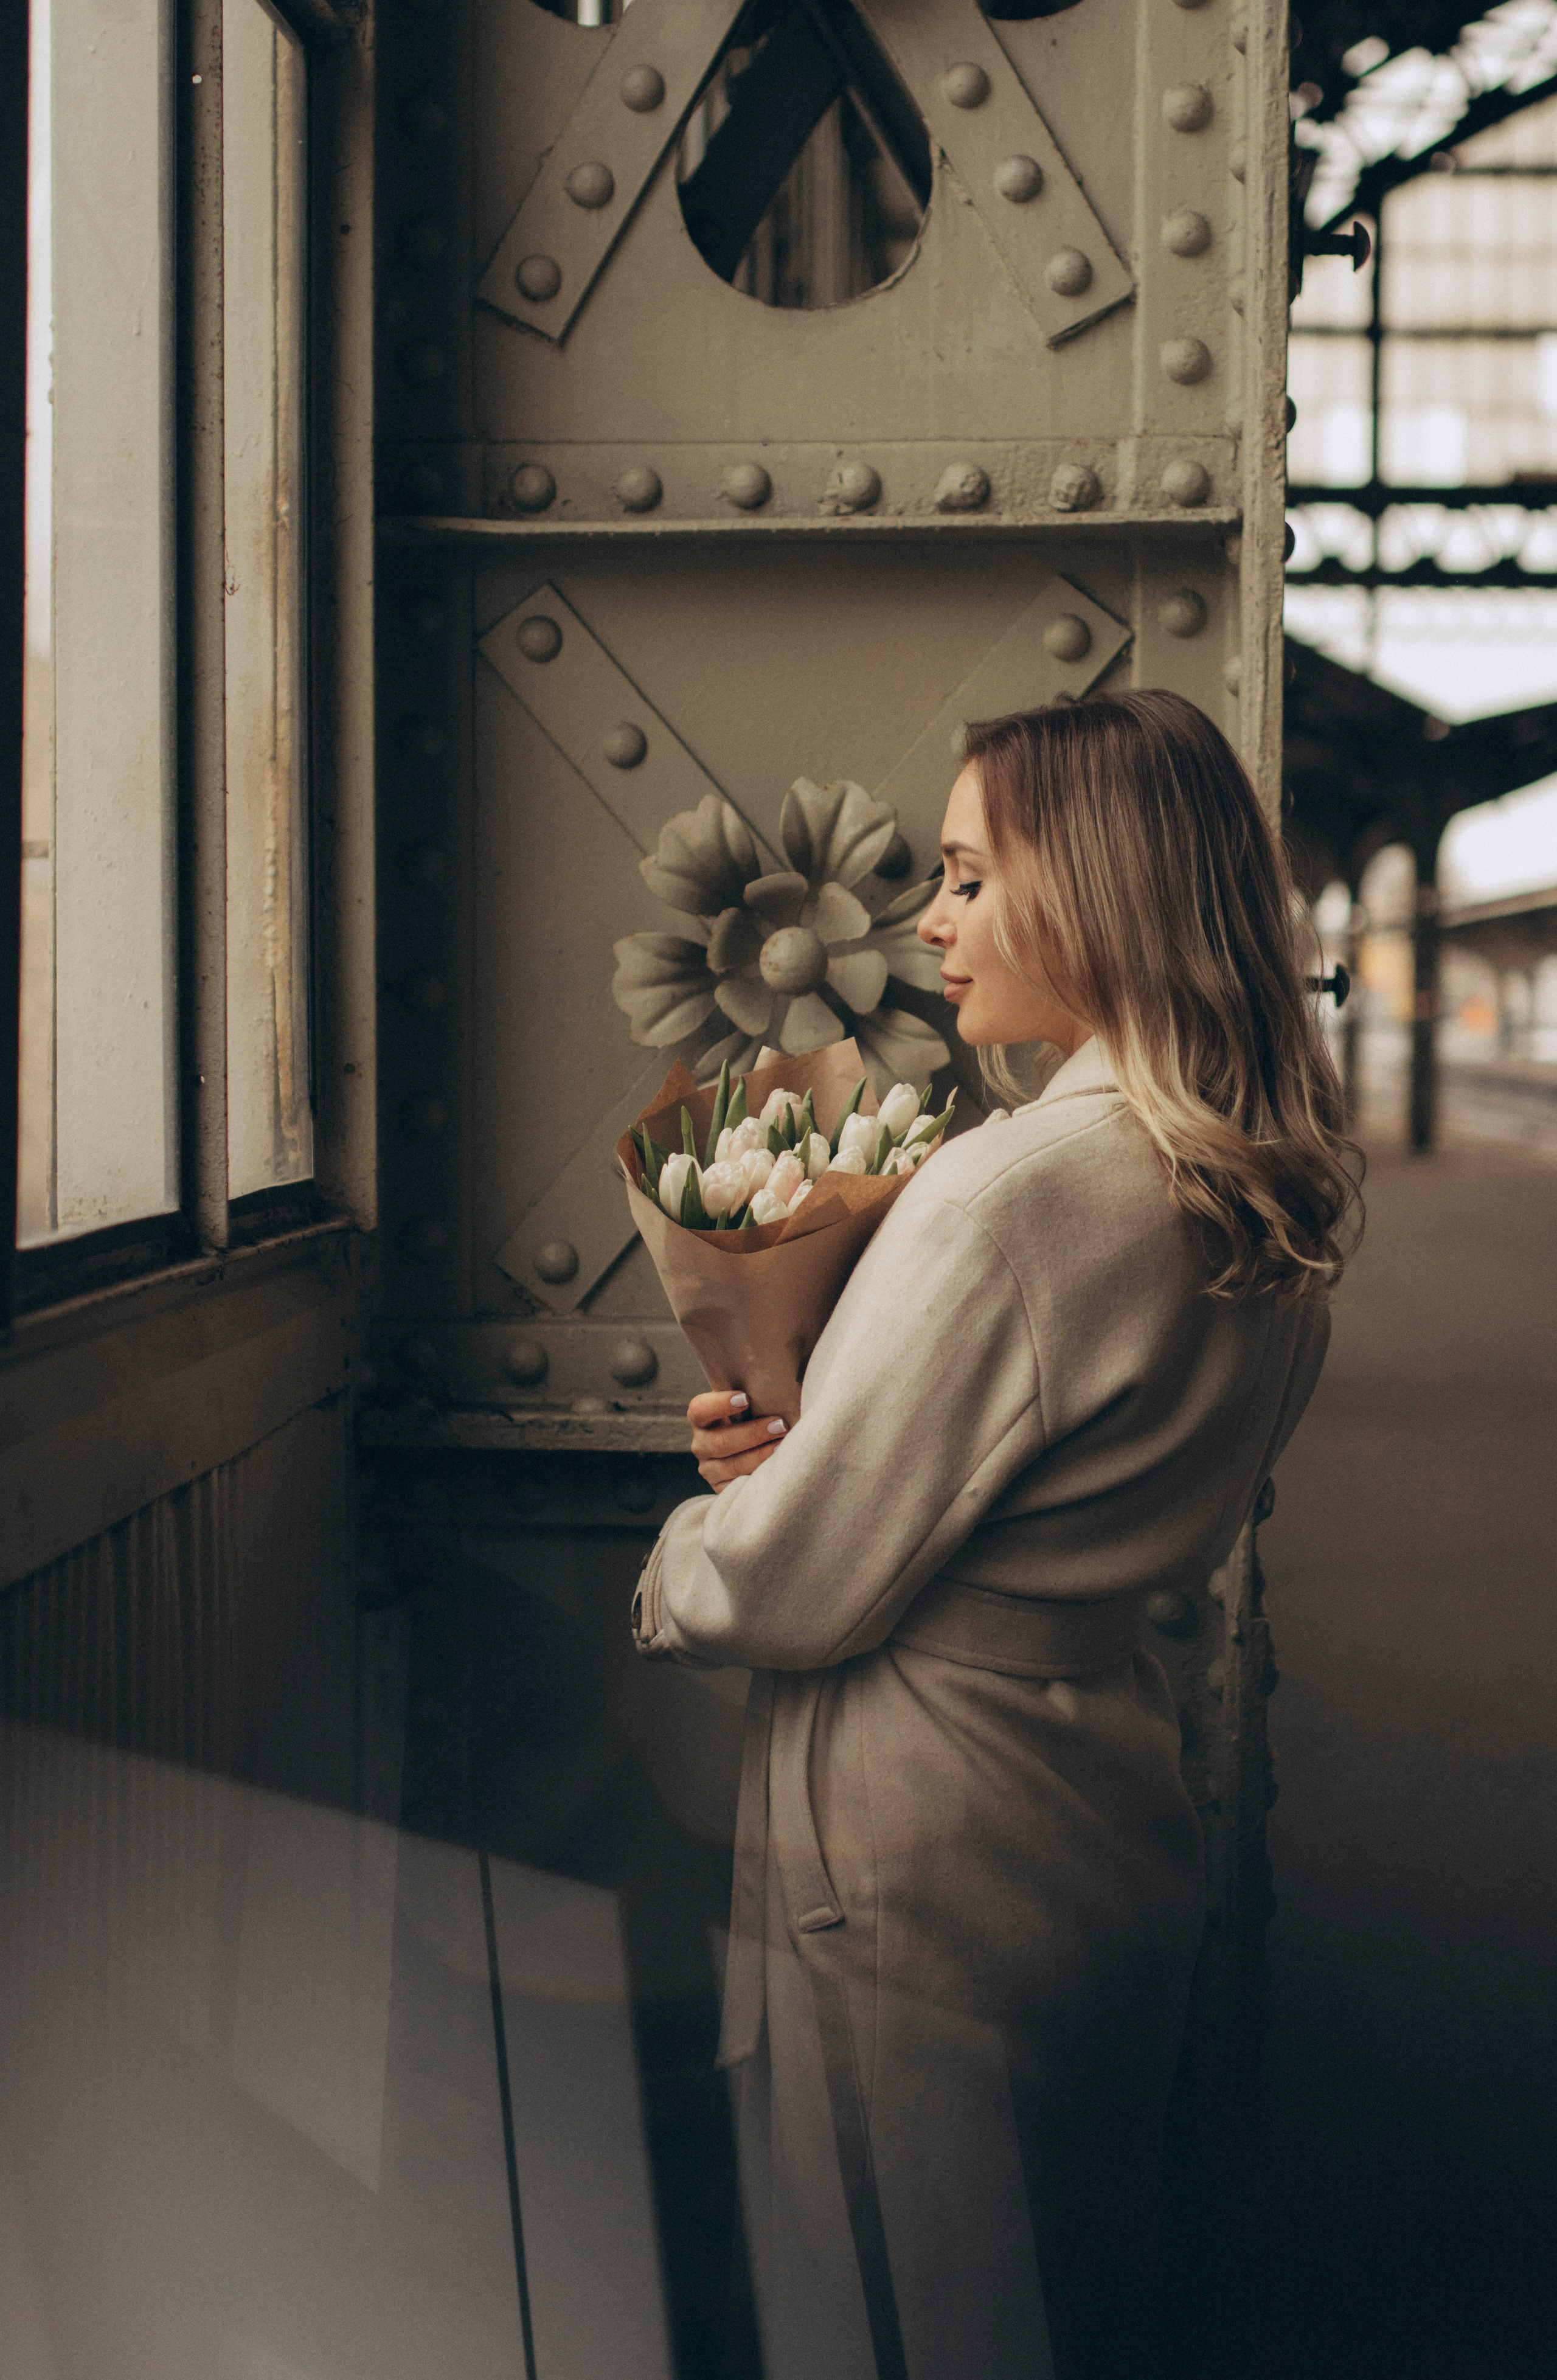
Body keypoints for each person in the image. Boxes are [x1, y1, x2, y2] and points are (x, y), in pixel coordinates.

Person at [631, 691, 1362, 2380]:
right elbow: (1038, 1492)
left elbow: (795, 1582)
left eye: (969, 875)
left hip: (915, 1842)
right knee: (1052, 2303)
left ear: (1094, 888)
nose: (931, 920)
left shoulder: (1012, 1188)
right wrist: (822, 1452)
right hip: (1094, 1807)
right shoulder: (1253, 1180)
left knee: (886, 2317)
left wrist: (691, 1550)